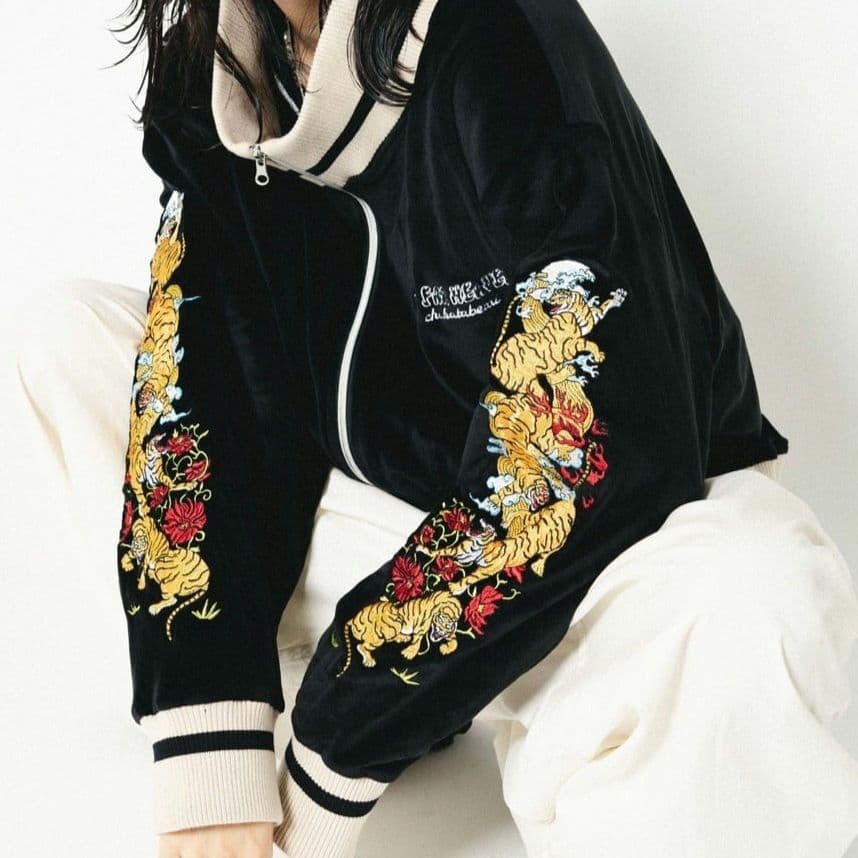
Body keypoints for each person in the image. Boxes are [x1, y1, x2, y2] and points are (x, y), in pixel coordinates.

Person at [110, 1, 858, 857]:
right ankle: (487, 694)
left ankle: (557, 699)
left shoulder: (499, 31)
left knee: (748, 581)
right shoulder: (216, 68)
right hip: (397, 513)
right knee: (75, 343)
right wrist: (211, 755)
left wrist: (336, 740)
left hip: (635, 530)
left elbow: (594, 444)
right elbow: (205, 385)